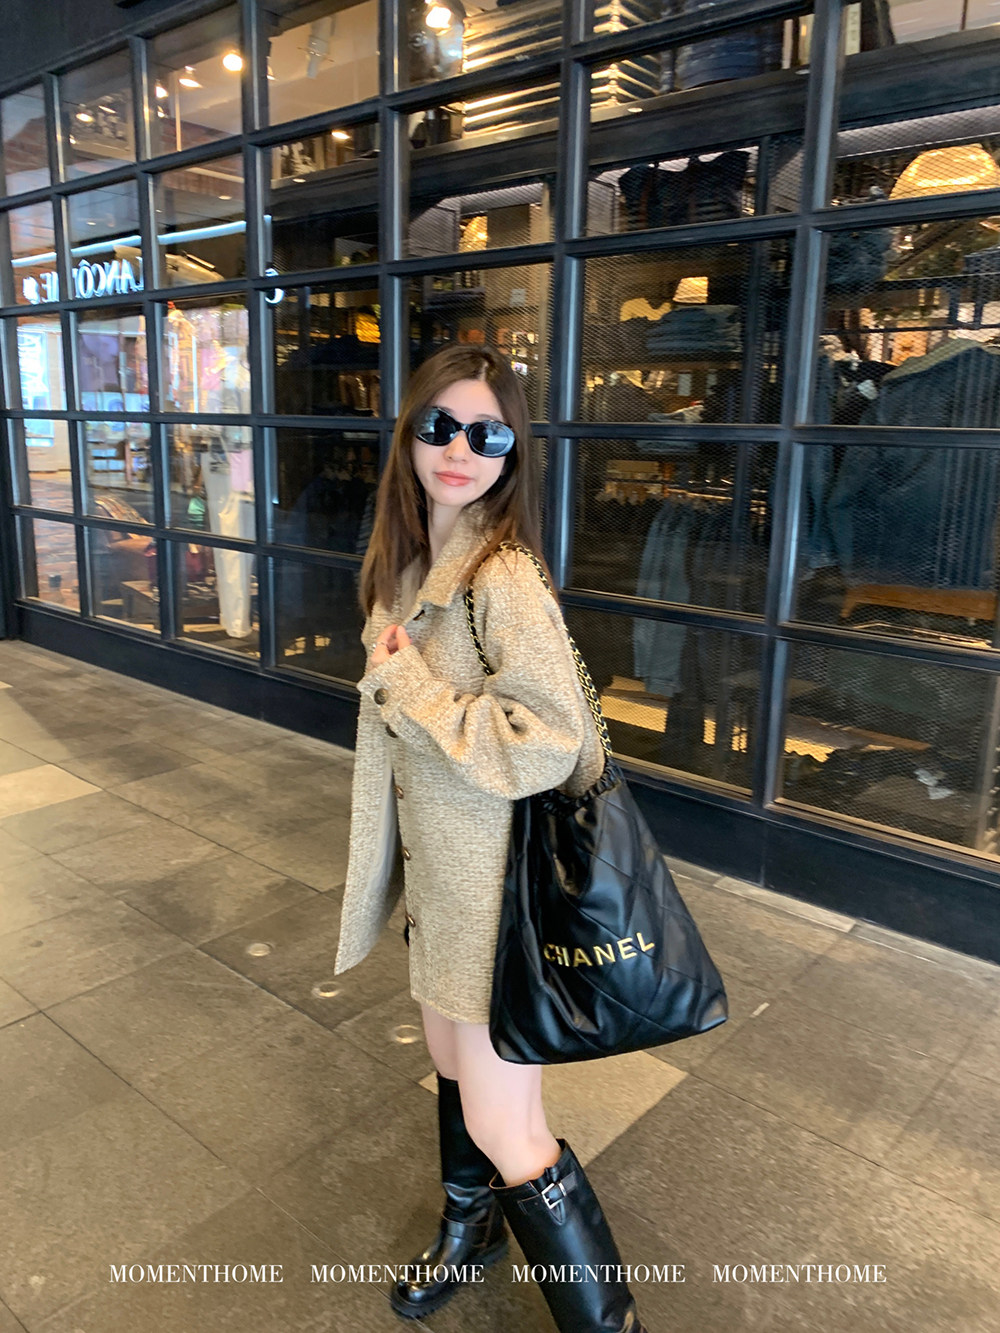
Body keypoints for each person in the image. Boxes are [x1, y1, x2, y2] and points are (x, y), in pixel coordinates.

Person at [333, 344, 648, 1333]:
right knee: (455, 1069)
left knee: (505, 1122)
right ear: (409, 436)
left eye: (487, 433)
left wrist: (411, 685)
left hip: (497, 894)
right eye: (440, 426)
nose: (459, 449)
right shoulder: (409, 568)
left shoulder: (500, 575)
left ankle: (609, 1323)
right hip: (444, 886)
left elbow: (549, 739)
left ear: (513, 452)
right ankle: (468, 1229)